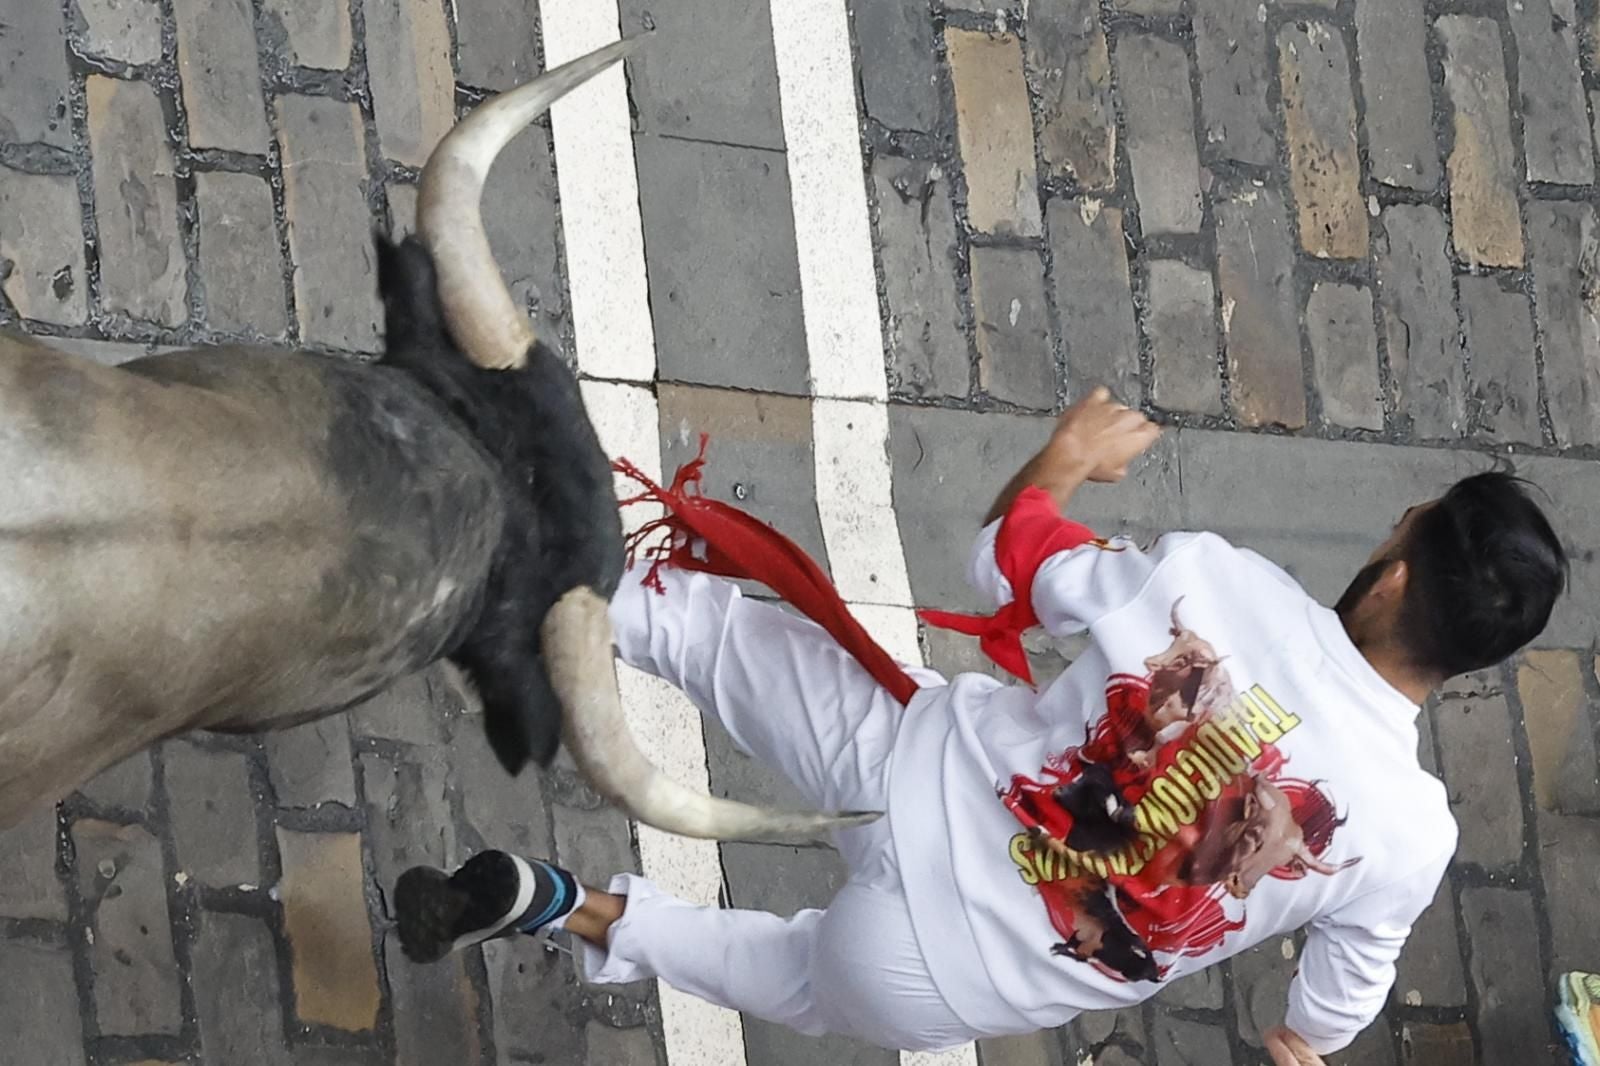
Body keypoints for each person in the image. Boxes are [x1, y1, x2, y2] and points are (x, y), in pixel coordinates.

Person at [393, 388, 1568, 1064]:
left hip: (905, 771)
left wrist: (1060, 458)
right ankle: (567, 909)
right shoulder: (1409, 837)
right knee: (794, 977)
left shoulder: (1225, 588)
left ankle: (490, 555)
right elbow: (1321, 1016)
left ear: (1399, 575)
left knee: (706, 635)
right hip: (939, 971)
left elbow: (1004, 550)